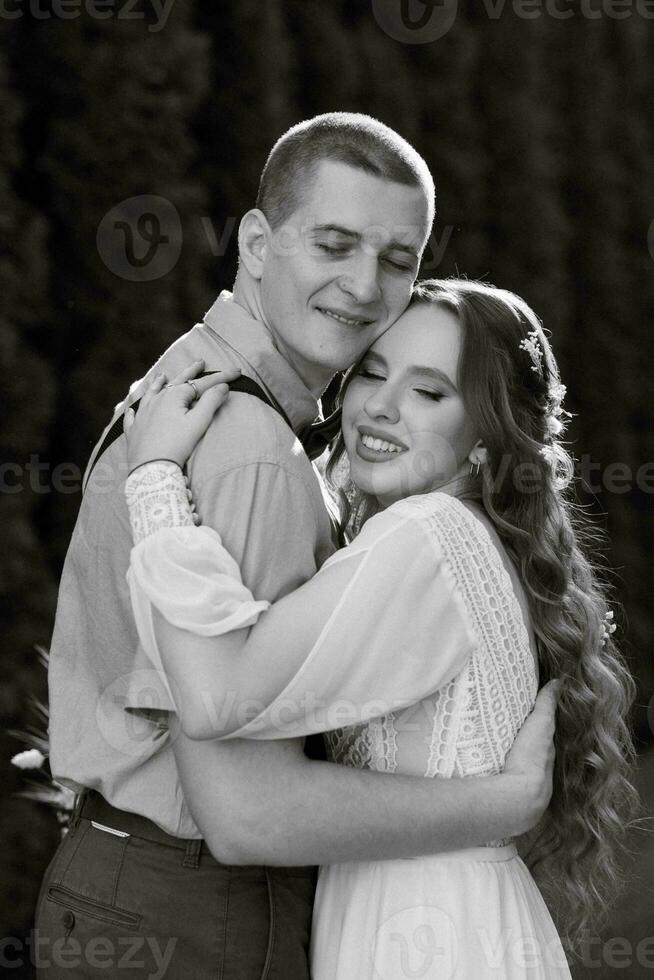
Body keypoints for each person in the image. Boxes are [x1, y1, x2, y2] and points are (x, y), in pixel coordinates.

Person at [36, 114, 558, 979]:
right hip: (197, 905)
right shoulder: (252, 451)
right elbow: (247, 809)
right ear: (254, 242)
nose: (364, 286)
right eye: (334, 244)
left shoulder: (189, 379)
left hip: (131, 883)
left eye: (397, 260)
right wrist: (495, 806)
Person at [122, 278, 637, 979]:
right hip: (440, 910)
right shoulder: (470, 535)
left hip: (423, 935)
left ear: (486, 436)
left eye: (429, 393)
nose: (381, 407)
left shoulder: (426, 536)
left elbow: (217, 696)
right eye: (371, 372)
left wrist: (154, 480)